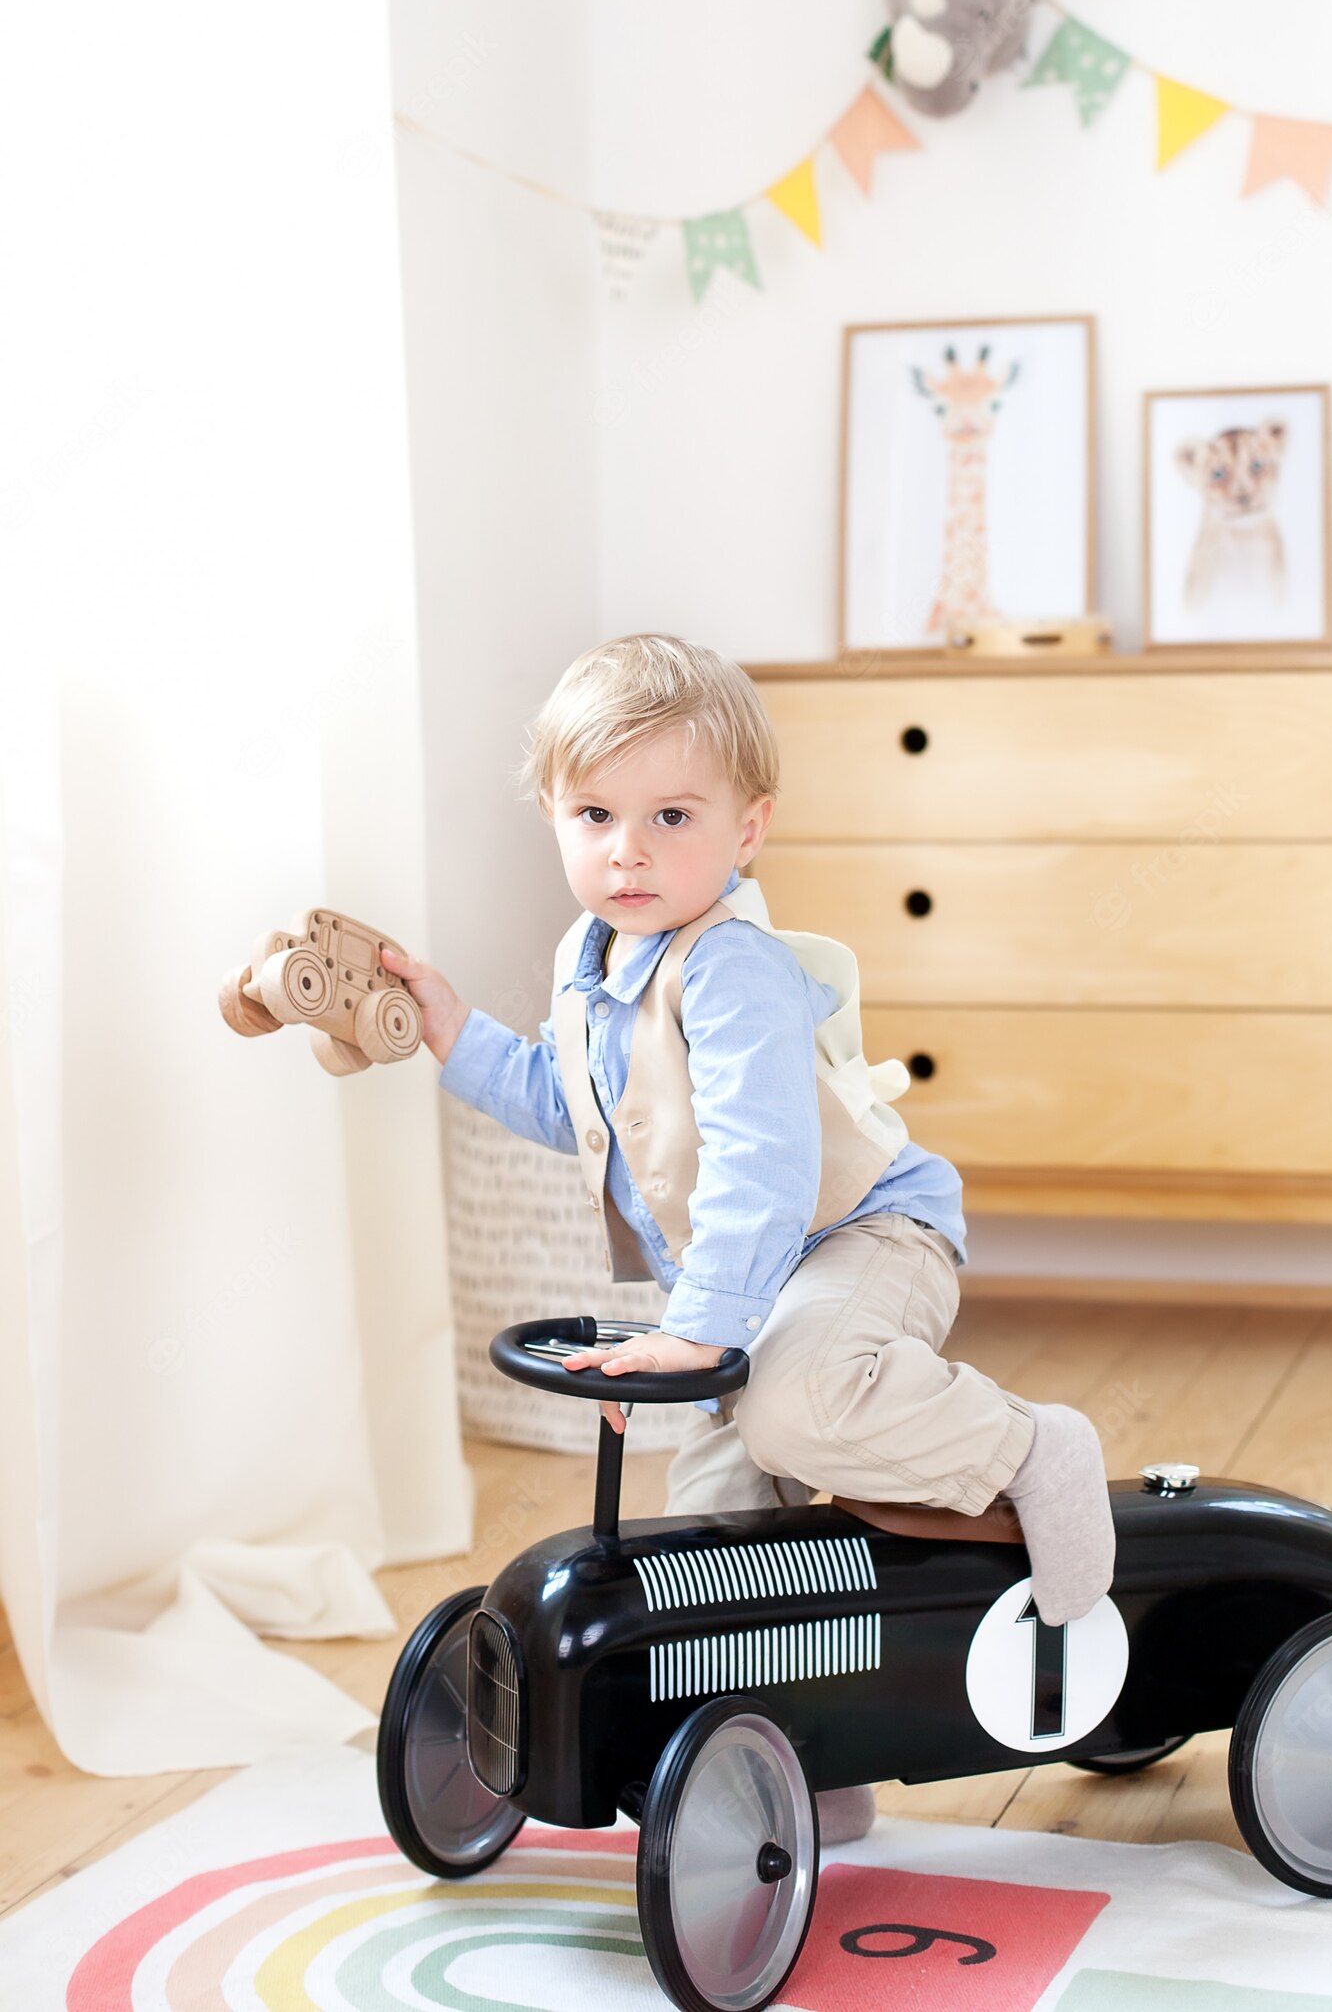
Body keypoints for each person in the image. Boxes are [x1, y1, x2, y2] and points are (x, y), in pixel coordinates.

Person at [382, 632, 1115, 1841]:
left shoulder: (733, 971)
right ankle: (805, 1754)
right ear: (555, 816)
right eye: (596, 814)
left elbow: (767, 1172)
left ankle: (1031, 1447)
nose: (628, 849)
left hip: (860, 1233)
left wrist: (696, 1332)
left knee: (794, 1405)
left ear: (747, 829)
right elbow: (575, 1105)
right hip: (749, 1278)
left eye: (671, 816)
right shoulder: (590, 961)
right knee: (719, 1535)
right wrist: (454, 1032)